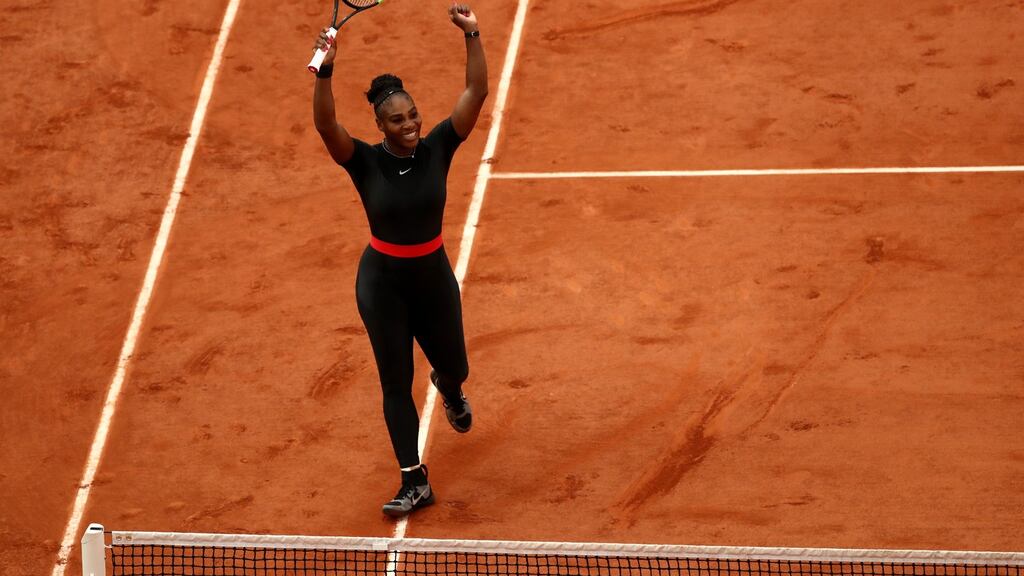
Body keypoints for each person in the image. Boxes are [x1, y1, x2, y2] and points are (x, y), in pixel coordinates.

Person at [311, 4, 487, 517]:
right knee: (394, 379)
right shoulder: (364, 162)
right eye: (397, 119)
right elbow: (326, 124)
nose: (409, 125)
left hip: (432, 279)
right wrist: (325, 70)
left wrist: (472, 33)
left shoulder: (439, 147)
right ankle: (414, 479)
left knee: (455, 365)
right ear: (380, 125)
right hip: (382, 284)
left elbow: (476, 91)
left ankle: (449, 388)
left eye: (412, 115)